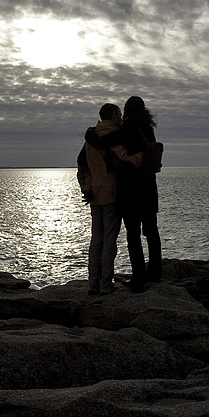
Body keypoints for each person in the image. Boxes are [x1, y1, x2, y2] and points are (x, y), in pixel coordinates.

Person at [86, 95, 161, 291]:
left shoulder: (127, 128)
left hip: (131, 190)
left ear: (127, 111)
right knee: (151, 232)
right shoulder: (148, 129)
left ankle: (138, 279)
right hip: (149, 189)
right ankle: (155, 273)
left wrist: (89, 133)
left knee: (133, 235)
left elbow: (102, 142)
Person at [76, 103, 124, 295]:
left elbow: (81, 167)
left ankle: (93, 284)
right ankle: (105, 284)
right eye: (119, 114)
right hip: (111, 194)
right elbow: (123, 163)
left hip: (94, 195)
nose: (121, 118)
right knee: (109, 241)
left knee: (96, 241)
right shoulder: (116, 137)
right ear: (113, 115)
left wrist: (86, 188)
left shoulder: (89, 140)